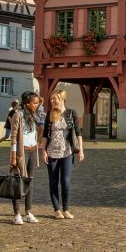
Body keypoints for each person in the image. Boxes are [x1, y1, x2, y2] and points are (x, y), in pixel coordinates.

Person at [44, 87, 84, 219]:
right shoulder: (49, 114)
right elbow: (45, 135)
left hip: (67, 151)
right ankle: (57, 209)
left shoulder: (71, 113)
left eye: (54, 98)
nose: (52, 101)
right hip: (51, 151)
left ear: (62, 100)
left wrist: (81, 150)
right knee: (53, 182)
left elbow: (78, 133)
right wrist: (43, 151)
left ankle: (66, 209)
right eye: (51, 99)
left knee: (66, 182)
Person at [7, 90, 43, 225]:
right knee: (18, 181)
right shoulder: (18, 115)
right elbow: (14, 138)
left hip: (33, 150)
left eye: (37, 102)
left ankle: (28, 212)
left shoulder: (34, 114)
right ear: (27, 103)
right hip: (21, 153)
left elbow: (37, 131)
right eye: (34, 103)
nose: (37, 105)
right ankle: (16, 214)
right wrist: (13, 157)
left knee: (29, 181)